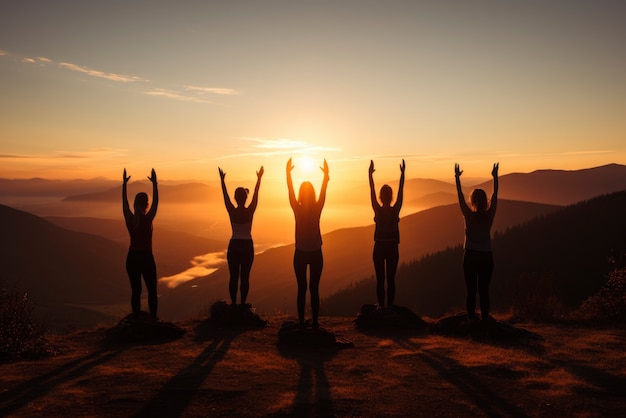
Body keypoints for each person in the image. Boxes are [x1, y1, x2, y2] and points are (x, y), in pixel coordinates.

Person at [286, 157, 329, 328]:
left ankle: (302, 321)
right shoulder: (317, 207)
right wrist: (326, 176)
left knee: (302, 288)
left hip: (300, 253)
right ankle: (316, 322)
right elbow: (324, 190)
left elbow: (289, 190)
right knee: (314, 289)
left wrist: (287, 174)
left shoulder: (296, 208)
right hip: (316, 252)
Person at [455, 162, 499, 322]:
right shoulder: (489, 216)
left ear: (473, 201)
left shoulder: (468, 216)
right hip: (486, 256)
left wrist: (457, 179)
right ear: (484, 201)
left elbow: (460, 198)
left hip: (470, 256)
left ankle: (471, 320)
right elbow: (495, 196)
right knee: (484, 291)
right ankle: (485, 320)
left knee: (471, 290)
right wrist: (495, 177)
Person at [219, 166, 264, 306]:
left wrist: (222, 181)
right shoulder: (250, 210)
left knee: (233, 277)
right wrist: (259, 179)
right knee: (245, 277)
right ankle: (243, 304)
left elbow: (225, 196)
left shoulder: (231, 210)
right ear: (245, 198)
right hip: (247, 245)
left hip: (234, 245)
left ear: (236, 198)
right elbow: (256, 194)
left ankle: (233, 304)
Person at [122, 168, 159, 320]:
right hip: (146, 257)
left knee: (135, 292)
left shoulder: (129, 218)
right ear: (147, 205)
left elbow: (123, 202)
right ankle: (153, 320)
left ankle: (136, 319)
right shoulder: (148, 218)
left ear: (135, 203)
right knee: (152, 291)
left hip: (132, 258)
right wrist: (155, 183)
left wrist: (124, 184)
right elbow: (157, 201)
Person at [369, 159, 405, 308]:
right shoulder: (395, 210)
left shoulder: (377, 210)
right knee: (390, 279)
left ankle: (382, 307)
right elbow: (401, 193)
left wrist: (370, 175)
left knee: (380, 279)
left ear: (380, 196)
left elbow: (371, 192)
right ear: (390, 196)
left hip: (379, 247)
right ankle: (389, 307)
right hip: (392, 248)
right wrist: (402, 175)